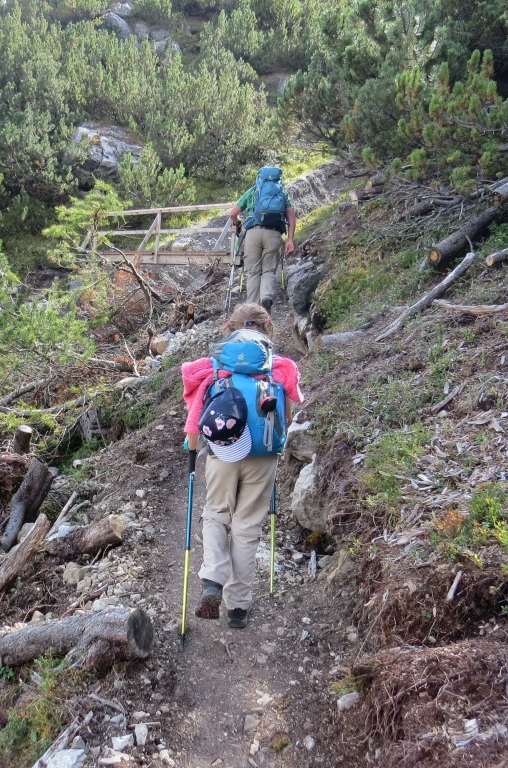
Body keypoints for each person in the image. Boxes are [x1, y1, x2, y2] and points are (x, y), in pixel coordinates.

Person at [180, 303, 304, 628]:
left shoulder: (213, 366)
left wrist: (192, 447)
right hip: (263, 456)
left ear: (230, 327)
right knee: (247, 527)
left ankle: (212, 580)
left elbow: (195, 416)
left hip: (222, 453)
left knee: (216, 514)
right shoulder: (280, 367)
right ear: (267, 327)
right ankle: (237, 608)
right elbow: (288, 417)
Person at [228, 170, 296, 312]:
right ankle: (266, 297)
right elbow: (291, 215)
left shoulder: (252, 191)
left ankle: (252, 310)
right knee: (269, 270)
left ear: (259, 178)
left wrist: (238, 223)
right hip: (274, 234)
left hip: (252, 233)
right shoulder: (282, 193)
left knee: (253, 272)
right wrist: (290, 239)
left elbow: (232, 213)